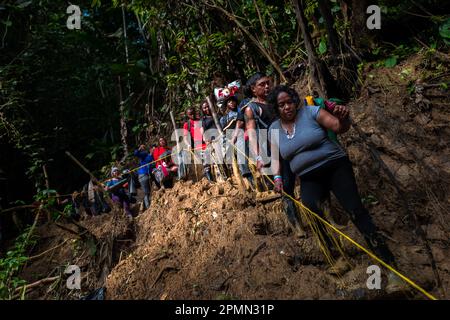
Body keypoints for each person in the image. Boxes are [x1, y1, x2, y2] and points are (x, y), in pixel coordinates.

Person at [267, 85, 407, 293]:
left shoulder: (311, 111)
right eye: (281, 104)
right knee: (313, 213)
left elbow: (338, 126)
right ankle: (338, 257)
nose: (287, 107)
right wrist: (277, 177)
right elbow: (277, 158)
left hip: (335, 166)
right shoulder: (273, 129)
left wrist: (344, 118)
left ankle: (391, 269)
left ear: (295, 100)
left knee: (356, 211)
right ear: (275, 108)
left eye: (289, 101)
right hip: (308, 177)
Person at [134, 144, 155, 210]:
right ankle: (148, 207)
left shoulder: (152, 157)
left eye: (155, 149)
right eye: (153, 149)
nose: (154, 150)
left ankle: (147, 205)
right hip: (143, 175)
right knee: (147, 192)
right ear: (150, 149)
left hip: (149, 175)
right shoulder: (145, 154)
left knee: (149, 191)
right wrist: (140, 148)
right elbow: (136, 153)